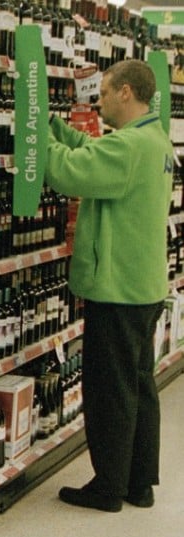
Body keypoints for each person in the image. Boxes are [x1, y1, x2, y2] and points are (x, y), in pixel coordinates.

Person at [45, 59, 174, 512]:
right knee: (139, 386)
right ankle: (139, 482)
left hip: (117, 288)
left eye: (102, 91)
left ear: (125, 93)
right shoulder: (154, 140)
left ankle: (109, 487)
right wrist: (58, 129)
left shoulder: (131, 148)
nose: (97, 99)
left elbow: (69, 173)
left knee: (109, 391)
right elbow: (92, 152)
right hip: (145, 286)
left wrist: (33, 137)